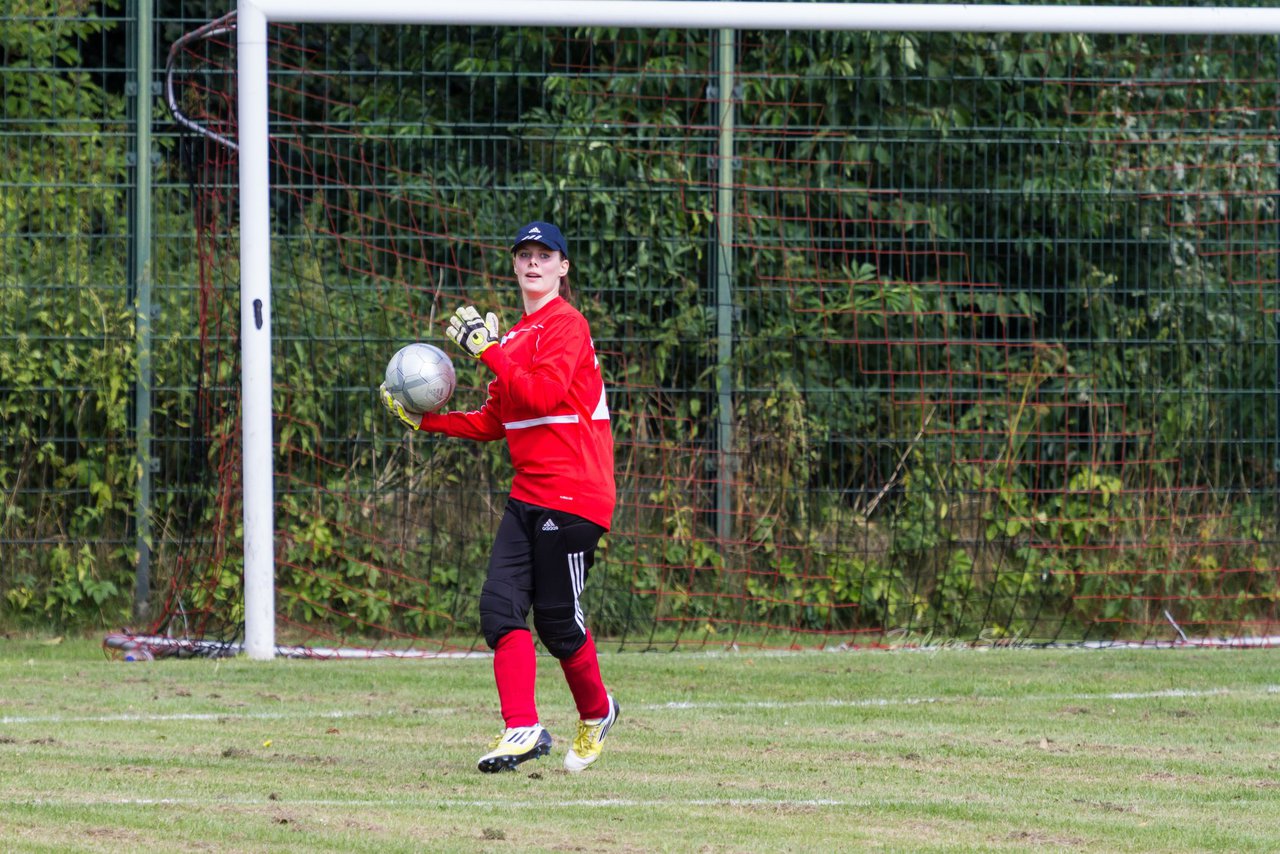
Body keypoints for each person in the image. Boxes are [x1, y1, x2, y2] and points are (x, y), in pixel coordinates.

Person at [380, 221, 619, 773]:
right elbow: (495, 420)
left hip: (575, 496)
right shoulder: (512, 338)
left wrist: (488, 352)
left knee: (559, 625)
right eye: (524, 255)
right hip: (528, 495)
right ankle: (522, 728)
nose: (533, 263)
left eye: (545, 255)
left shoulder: (568, 326)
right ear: (514, 266)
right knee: (499, 610)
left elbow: (542, 392)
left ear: (563, 267)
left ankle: (598, 710)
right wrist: (427, 421)